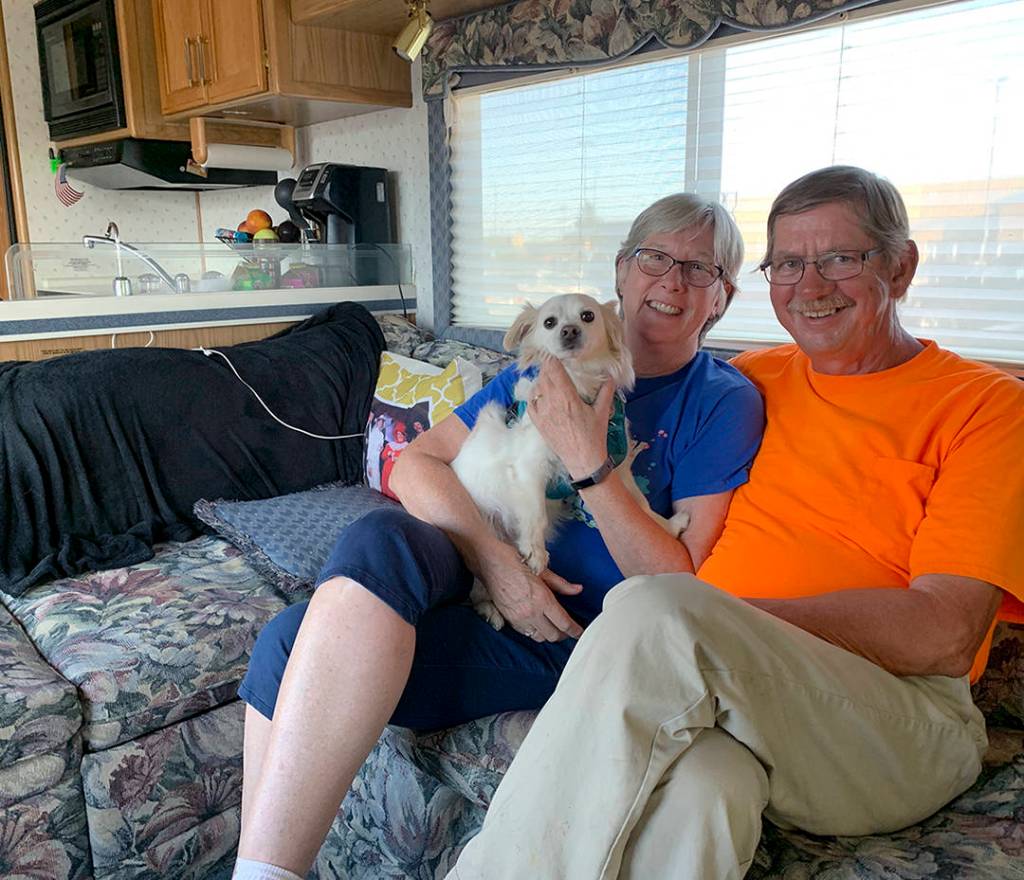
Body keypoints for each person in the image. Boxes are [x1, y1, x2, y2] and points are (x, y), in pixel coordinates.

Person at [448, 166, 1024, 880]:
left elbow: (944, 635)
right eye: (787, 263)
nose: (810, 287)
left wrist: (717, 625)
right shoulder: (751, 380)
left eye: (841, 258)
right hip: (744, 709)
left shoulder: (987, 408)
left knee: (654, 610)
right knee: (701, 793)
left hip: (900, 722)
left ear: (901, 267)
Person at [231, 193, 767, 880]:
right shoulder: (537, 369)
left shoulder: (722, 401)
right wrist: (501, 566)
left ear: (721, 298)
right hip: (481, 571)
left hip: (568, 632)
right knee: (378, 537)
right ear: (622, 272)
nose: (671, 282)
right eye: (655, 258)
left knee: (287, 641)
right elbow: (416, 465)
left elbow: (676, 578)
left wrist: (587, 460)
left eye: (700, 269)